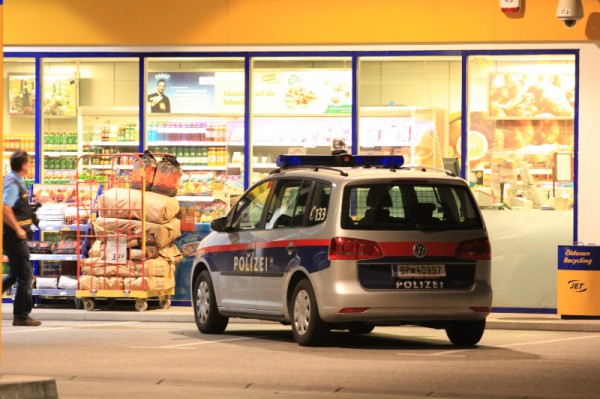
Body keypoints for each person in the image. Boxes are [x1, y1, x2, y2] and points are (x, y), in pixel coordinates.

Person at [3, 150, 41, 327]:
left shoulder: (16, 180)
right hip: (13, 236)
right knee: (25, 275)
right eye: (29, 162)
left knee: (15, 274)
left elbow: (16, 207)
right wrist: (18, 229)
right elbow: (5, 208)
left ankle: (21, 314)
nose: (30, 164)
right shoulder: (12, 182)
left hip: (14, 235)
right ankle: (21, 315)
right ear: (24, 164)